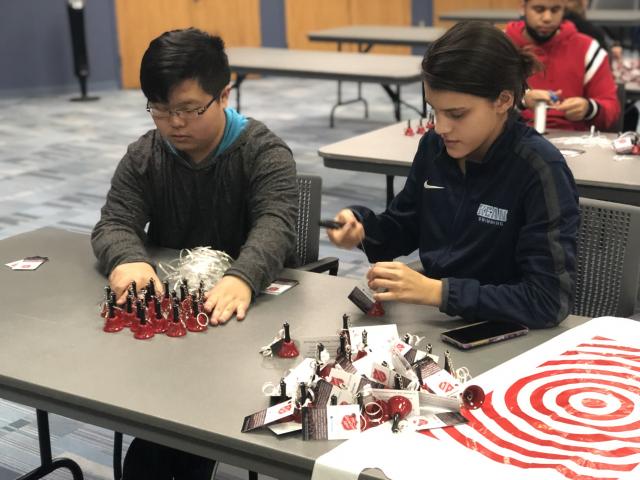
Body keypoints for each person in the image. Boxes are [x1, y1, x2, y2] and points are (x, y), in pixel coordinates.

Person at [91, 28, 298, 479]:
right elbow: (114, 221)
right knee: (160, 439)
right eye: (160, 109)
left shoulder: (263, 152)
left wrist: (243, 276)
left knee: (175, 443)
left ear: (224, 94)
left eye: (188, 109)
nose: (174, 123)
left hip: (244, 325)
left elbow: (277, 226)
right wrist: (129, 259)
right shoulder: (147, 153)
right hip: (174, 327)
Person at [328, 21, 580, 330]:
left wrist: (439, 292)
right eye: (435, 111)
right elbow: (404, 226)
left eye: (457, 114)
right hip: (436, 321)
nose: (441, 127)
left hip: (509, 331)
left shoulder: (539, 169)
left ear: (503, 100)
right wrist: (361, 226)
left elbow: (547, 301)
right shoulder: (435, 147)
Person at [505, 0, 620, 131]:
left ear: (564, 10)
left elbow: (612, 110)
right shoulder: (501, 46)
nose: (547, 18)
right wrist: (521, 102)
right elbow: (483, 104)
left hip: (575, 141)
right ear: (523, 8)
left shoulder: (588, 49)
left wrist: (589, 108)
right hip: (512, 135)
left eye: (555, 10)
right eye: (539, 9)